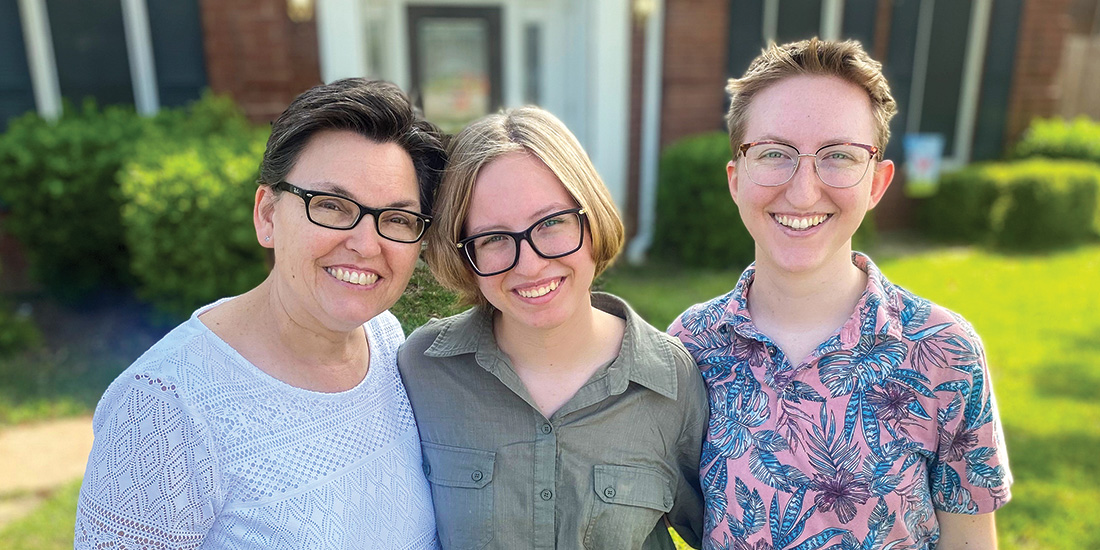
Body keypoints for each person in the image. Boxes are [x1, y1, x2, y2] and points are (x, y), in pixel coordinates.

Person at [669, 38, 1012, 549]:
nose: (804, 191)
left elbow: (969, 540)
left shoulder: (946, 351)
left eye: (839, 156)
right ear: (736, 179)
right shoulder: (688, 348)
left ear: (876, 183)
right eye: (773, 153)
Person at [75, 78, 445, 548]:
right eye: (331, 206)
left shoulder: (387, 339)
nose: (366, 244)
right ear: (267, 215)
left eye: (396, 219)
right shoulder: (165, 409)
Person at [398, 106, 707, 549]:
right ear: (465, 253)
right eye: (493, 238)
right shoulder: (422, 368)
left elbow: (723, 532)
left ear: (591, 218)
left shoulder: (671, 383)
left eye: (551, 223)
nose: (530, 263)